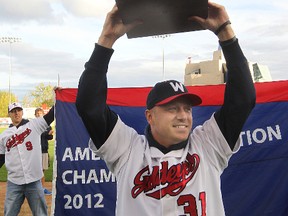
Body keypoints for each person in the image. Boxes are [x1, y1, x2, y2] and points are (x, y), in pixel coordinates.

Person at [76, 2, 256, 215]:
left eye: (187, 109)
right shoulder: (128, 150)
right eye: (172, 109)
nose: (183, 116)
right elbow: (89, 106)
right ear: (150, 116)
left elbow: (243, 100)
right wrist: (107, 39)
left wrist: (225, 30)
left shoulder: (208, 146)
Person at [0, 102, 54, 216]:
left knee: (41, 213)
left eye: (18, 110)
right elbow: (1, 158)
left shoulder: (34, 125)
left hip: (34, 180)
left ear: (22, 112)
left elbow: (51, 115)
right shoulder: (4, 135)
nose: (16, 113)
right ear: (9, 114)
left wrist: (58, 97)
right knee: (9, 213)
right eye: (13, 111)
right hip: (14, 182)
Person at [35, 107, 54, 195]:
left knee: (43, 170)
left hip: (44, 150)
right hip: (36, 151)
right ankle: (40, 189)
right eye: (37, 114)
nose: (39, 115)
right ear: (35, 115)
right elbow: (39, 134)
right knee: (38, 170)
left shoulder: (47, 125)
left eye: (40, 114)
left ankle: (41, 188)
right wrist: (47, 133)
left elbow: (48, 138)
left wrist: (50, 134)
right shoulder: (34, 125)